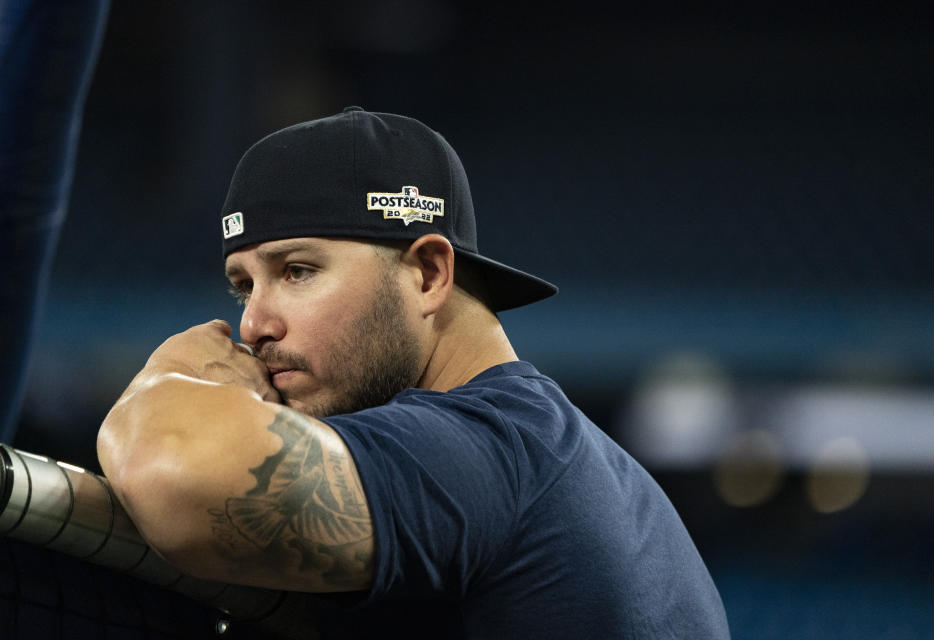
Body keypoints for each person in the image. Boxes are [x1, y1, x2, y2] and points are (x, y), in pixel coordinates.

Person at [96, 106, 730, 638]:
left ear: (428, 274)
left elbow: (171, 470)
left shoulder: (481, 450)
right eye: (243, 287)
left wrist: (176, 371)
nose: (254, 325)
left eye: (298, 271)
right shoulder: (563, 455)